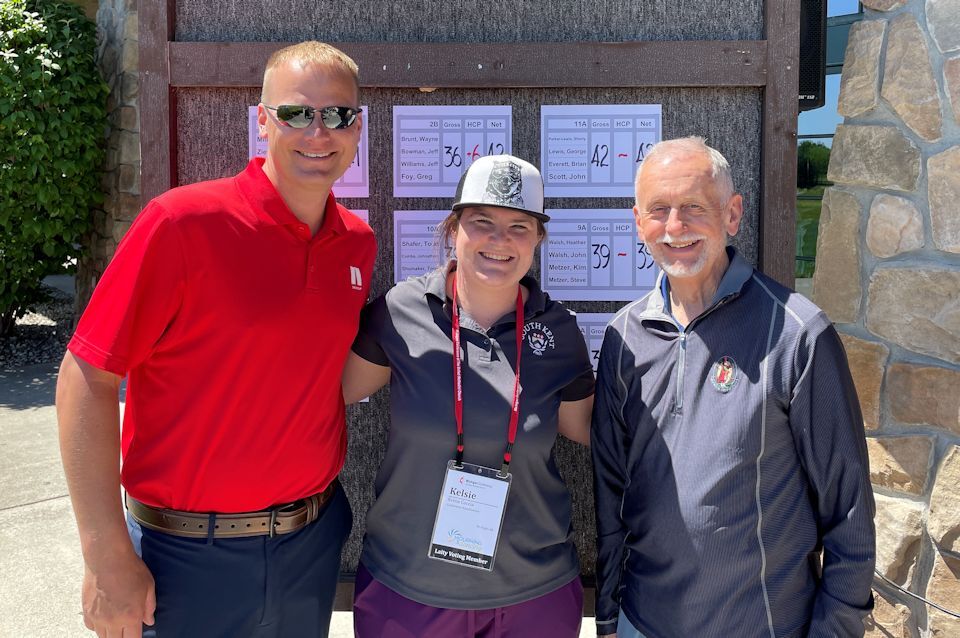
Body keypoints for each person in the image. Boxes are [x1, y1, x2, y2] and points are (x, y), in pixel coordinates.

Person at [56, 41, 375, 637]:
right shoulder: (181, 224)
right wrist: (105, 556)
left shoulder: (356, 242)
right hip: (183, 557)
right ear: (262, 120)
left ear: (356, 128)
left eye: (337, 115)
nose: (318, 131)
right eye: (296, 113)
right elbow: (86, 377)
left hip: (311, 542)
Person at [591, 137, 875, 638]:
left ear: (732, 214)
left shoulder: (796, 333)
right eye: (659, 210)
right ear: (638, 222)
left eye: (693, 207)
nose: (675, 227)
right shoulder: (624, 337)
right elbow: (611, 490)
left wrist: (837, 629)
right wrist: (611, 617)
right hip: (643, 622)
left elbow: (848, 507)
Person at [342, 154, 595, 637]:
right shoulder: (399, 313)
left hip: (534, 594)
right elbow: (330, 394)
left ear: (538, 239)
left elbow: (587, 431)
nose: (500, 241)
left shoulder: (559, 331)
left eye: (520, 226)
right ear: (453, 228)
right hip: (409, 592)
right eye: (482, 222)